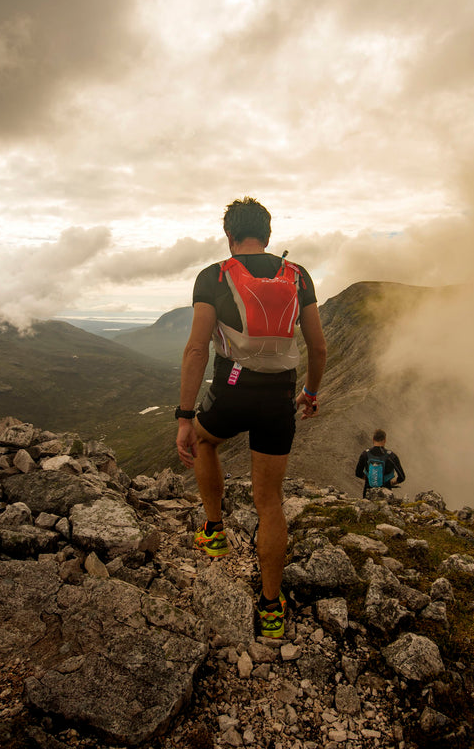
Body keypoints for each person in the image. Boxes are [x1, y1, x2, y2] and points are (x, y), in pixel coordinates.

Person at [176, 197, 327, 639]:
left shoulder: (213, 276)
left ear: (229, 236)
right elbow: (317, 348)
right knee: (270, 501)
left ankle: (215, 530)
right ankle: (271, 608)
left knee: (205, 440)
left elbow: (196, 349)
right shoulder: (297, 276)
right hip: (280, 397)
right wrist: (311, 392)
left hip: (233, 390)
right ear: (268, 235)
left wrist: (186, 416)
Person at [354, 429, 407, 498]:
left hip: (368, 493)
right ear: (385, 440)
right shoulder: (391, 456)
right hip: (385, 493)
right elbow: (402, 477)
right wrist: (391, 482)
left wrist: (370, 478)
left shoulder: (365, 454)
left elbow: (358, 473)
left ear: (373, 439)